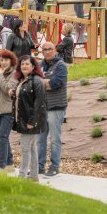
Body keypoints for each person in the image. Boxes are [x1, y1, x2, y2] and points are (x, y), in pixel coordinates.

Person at [11, 55, 47, 182]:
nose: (24, 66)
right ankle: (34, 176)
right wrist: (13, 94)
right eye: (22, 64)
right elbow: (23, 100)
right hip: (23, 119)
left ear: (33, 66)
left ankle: (21, 176)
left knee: (25, 148)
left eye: (27, 64)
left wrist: (32, 121)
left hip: (31, 121)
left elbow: (39, 104)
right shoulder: (22, 80)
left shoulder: (37, 81)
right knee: (31, 148)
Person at [38, 42, 68, 177]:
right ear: (42, 52)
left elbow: (55, 83)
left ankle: (55, 166)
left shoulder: (61, 66)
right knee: (40, 139)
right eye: (45, 49)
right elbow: (34, 82)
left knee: (55, 139)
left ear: (55, 50)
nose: (47, 51)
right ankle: (40, 166)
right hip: (42, 107)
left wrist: (43, 82)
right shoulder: (39, 66)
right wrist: (45, 82)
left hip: (56, 107)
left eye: (50, 49)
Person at [0, 50, 18, 172]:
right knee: (4, 137)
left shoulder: (15, 73)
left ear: (11, 60)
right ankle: (9, 163)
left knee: (2, 137)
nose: (3, 63)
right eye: (1, 60)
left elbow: (8, 88)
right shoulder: (1, 73)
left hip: (9, 110)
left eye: (6, 60)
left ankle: (1, 165)